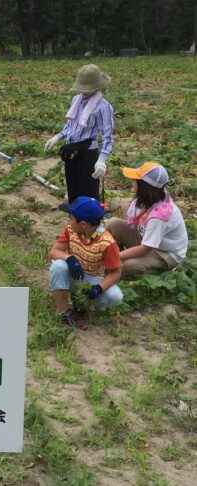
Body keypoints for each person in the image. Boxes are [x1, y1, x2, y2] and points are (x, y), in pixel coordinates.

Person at [49, 196, 123, 329]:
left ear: (83, 224)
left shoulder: (107, 242)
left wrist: (99, 288)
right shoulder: (70, 230)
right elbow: (54, 251)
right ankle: (65, 311)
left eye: (71, 218)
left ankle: (84, 303)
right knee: (58, 266)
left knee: (115, 297)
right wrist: (70, 259)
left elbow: (116, 272)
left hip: (93, 278)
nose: (69, 221)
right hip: (73, 273)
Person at [44, 64, 114, 202]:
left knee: (88, 192)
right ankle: (76, 221)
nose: (84, 91)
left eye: (87, 88)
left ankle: (90, 222)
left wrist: (101, 160)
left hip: (88, 153)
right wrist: (57, 137)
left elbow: (108, 136)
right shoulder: (77, 100)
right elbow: (71, 126)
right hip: (72, 151)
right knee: (73, 189)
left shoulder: (103, 106)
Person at [105, 163, 188, 277]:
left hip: (164, 253)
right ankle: (115, 257)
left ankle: (162, 271)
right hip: (148, 239)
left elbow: (146, 248)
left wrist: (115, 256)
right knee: (112, 223)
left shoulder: (159, 216)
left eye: (135, 180)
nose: (132, 182)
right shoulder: (153, 196)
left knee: (130, 265)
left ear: (144, 186)